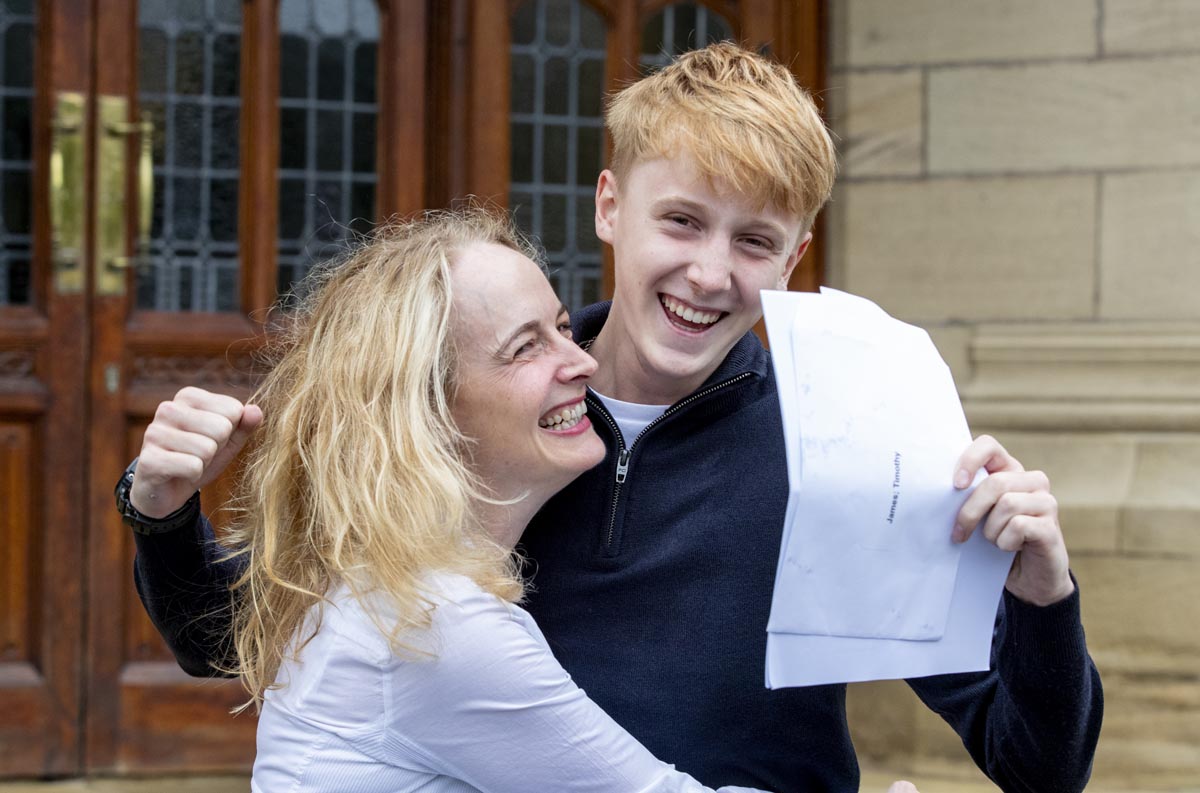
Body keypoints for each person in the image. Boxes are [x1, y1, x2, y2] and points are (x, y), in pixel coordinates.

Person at [119, 43, 1101, 792]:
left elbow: (1036, 763)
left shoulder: (853, 443)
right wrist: (163, 514)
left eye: (754, 241)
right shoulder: (495, 416)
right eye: (681, 221)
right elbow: (245, 638)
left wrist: (1043, 597)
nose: (710, 273)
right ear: (609, 206)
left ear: (795, 259)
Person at [185, 207, 915, 792]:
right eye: (525, 347)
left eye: (563, 327)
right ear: (431, 409)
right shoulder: (436, 626)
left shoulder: (398, 588)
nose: (582, 361)